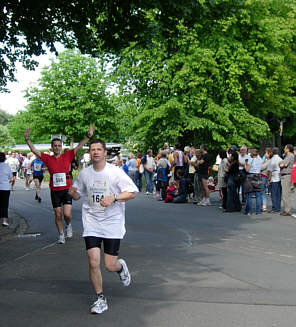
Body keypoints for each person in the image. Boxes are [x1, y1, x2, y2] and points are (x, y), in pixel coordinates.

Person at [68, 139, 138, 314]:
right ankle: (100, 299)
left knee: (109, 264)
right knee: (93, 262)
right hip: (92, 221)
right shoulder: (84, 174)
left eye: (99, 149)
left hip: (112, 222)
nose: (96, 152)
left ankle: (120, 267)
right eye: (93, 149)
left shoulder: (115, 173)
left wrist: (114, 198)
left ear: (105, 153)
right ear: (89, 153)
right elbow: (78, 195)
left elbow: (132, 192)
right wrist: (72, 193)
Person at [24, 124, 94, 244]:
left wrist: (88, 136)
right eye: (55, 146)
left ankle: (68, 225)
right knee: (58, 214)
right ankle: (61, 235)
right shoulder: (47, 158)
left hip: (67, 189)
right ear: (52, 147)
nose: (57, 148)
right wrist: (27, 140)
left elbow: (79, 146)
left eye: (59, 146)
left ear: (61, 147)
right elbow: (34, 150)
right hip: (55, 190)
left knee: (67, 214)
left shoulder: (67, 155)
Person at [244, 149, 263, 215]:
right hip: (258, 176)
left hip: (250, 176)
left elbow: (247, 170)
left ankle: (249, 211)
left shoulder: (250, 160)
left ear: (252, 154)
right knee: (258, 195)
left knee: (249, 195)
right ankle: (258, 211)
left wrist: (245, 164)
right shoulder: (260, 160)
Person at [279, 144, 294, 216]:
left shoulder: (290, 156)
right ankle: (286, 209)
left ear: (288, 149)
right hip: (286, 175)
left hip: (287, 176)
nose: (284, 149)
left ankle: (287, 210)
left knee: (285, 194)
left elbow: (282, 165)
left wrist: (280, 163)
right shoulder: (287, 156)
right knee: (285, 194)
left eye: (285, 148)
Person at [267, 147, 282, 213]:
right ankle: (278, 207)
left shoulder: (272, 160)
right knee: (278, 194)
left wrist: (269, 179)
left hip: (273, 178)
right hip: (279, 177)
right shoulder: (280, 159)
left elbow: (270, 171)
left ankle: (275, 207)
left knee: (273, 194)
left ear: (272, 152)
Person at [0, 152, 13, 227]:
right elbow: (10, 177)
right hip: (5, 187)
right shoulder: (7, 166)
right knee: (5, 204)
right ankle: (4, 221)